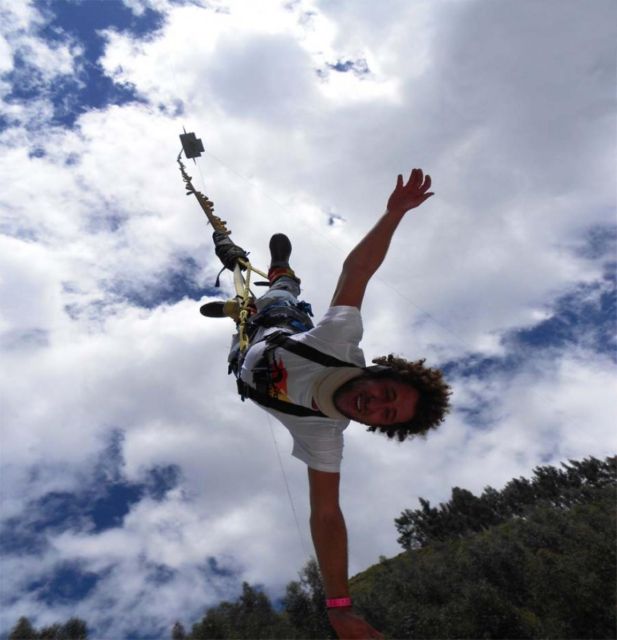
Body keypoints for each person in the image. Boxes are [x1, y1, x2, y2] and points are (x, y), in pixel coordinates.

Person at [202, 168, 451, 640]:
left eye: (387, 414)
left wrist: (339, 606)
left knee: (244, 331)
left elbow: (328, 516)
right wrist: (393, 214)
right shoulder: (339, 341)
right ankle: (282, 271)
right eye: (388, 393)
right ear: (379, 373)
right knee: (278, 298)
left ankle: (239, 314)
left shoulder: (324, 436)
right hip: (283, 325)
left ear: (378, 425)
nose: (377, 404)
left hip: (244, 360)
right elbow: (357, 271)